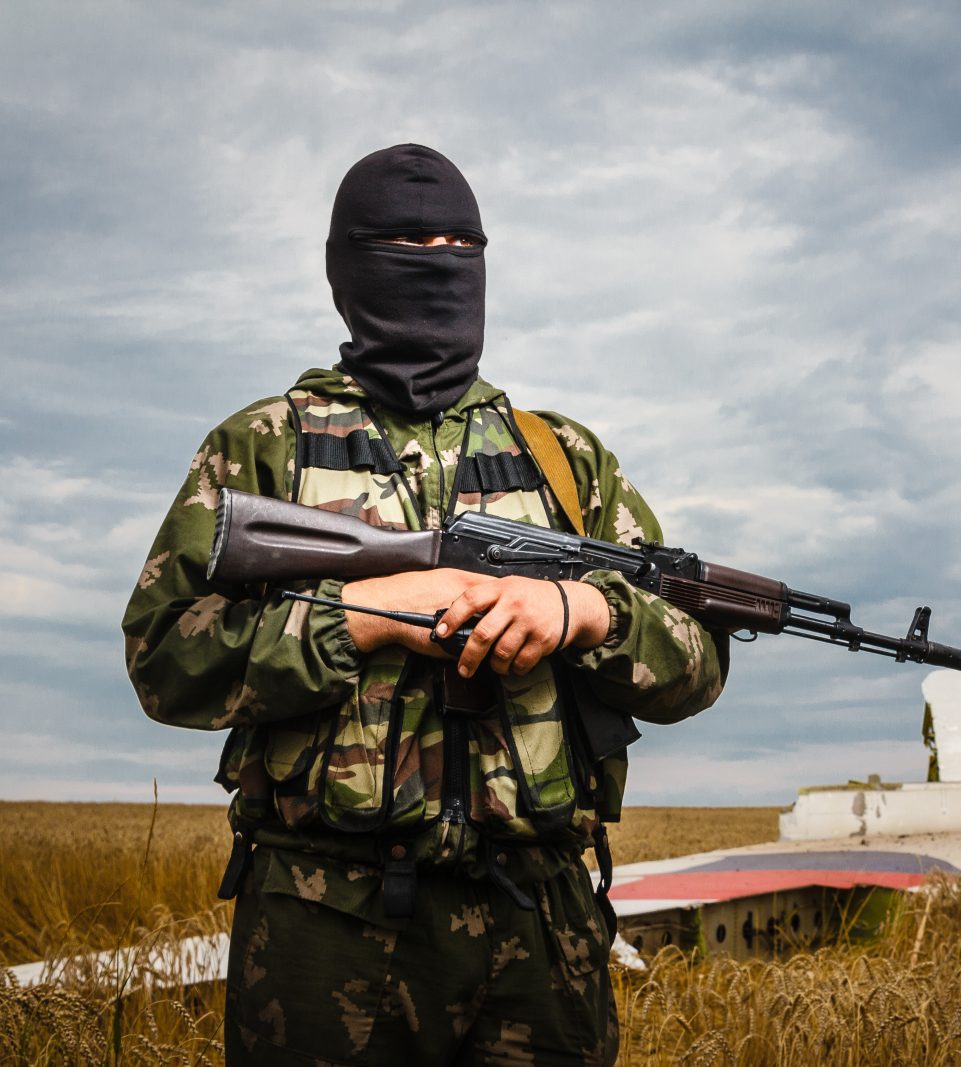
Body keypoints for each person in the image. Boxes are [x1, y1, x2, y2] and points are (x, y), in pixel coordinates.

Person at [122, 144, 727, 1066]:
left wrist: (585, 613)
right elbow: (164, 659)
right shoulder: (264, 445)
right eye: (410, 241)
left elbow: (697, 657)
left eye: (461, 242)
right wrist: (359, 615)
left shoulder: (562, 456)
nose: (440, 261)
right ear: (350, 265)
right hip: (322, 921)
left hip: (542, 920)